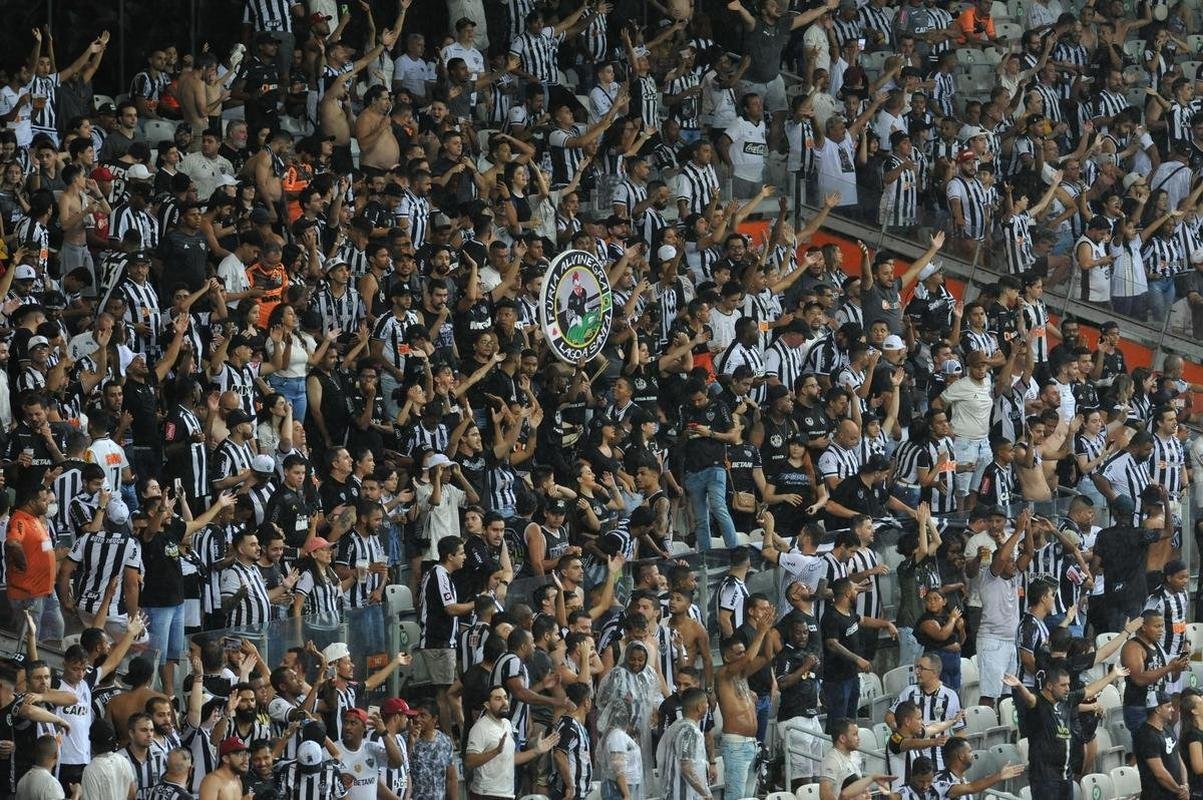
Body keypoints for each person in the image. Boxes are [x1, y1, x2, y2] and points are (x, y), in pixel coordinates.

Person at [1004, 664, 1129, 799]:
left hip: (1065, 775)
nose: (1067, 689)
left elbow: (1089, 690)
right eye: (1063, 685)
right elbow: (1030, 699)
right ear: (1050, 686)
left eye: (1068, 684)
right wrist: (1019, 686)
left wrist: (1113, 675)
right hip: (1045, 778)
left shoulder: (1067, 701)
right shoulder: (1039, 705)